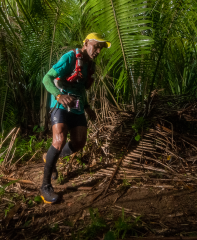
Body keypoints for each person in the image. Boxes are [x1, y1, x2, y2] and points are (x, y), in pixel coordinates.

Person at [41, 33, 111, 204]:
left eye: (101, 48)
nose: (98, 50)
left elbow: (81, 89)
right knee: (59, 141)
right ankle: (45, 187)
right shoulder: (70, 57)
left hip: (78, 106)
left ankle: (50, 156)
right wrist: (58, 96)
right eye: (96, 46)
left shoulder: (89, 66)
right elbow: (46, 78)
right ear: (86, 44)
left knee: (79, 142)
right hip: (61, 103)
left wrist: (87, 107)